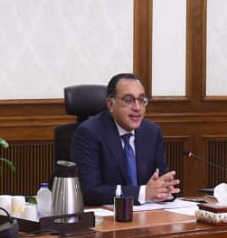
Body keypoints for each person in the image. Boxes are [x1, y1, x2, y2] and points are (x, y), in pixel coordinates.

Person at [71, 73, 179, 206]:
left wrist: (165, 190)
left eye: (142, 99)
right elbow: (89, 191)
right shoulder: (89, 133)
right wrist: (143, 193)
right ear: (111, 104)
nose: (137, 107)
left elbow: (161, 180)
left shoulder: (152, 132)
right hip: (109, 215)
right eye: (128, 100)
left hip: (149, 213)